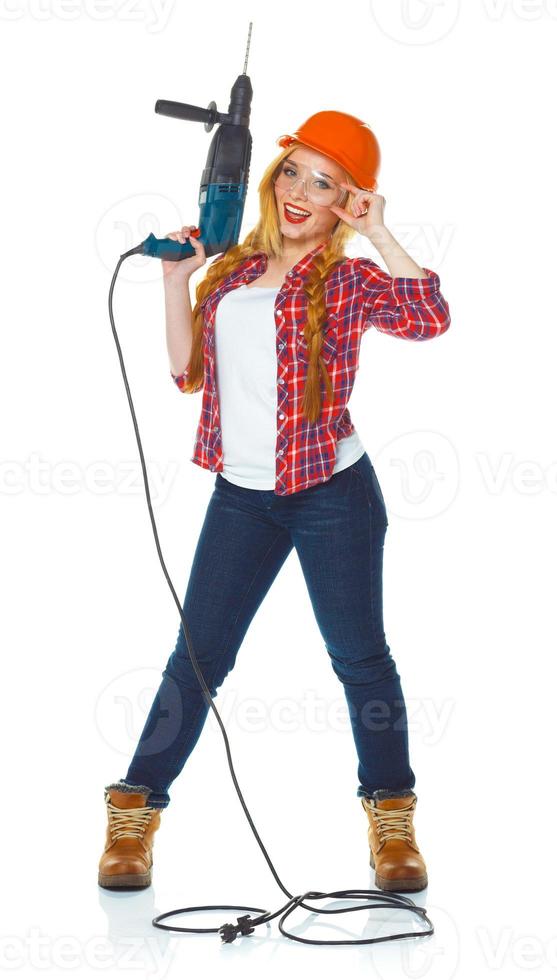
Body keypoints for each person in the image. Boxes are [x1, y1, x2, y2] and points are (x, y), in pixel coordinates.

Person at [98, 111, 451, 893]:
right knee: (196, 660)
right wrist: (174, 281)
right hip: (242, 498)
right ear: (272, 177)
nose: (299, 192)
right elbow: (189, 374)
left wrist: (380, 232)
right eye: (293, 171)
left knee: (359, 658)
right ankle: (134, 811)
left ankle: (390, 820)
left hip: (332, 493)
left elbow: (430, 317)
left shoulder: (350, 279)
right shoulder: (226, 273)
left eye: (324, 184)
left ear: (344, 202)